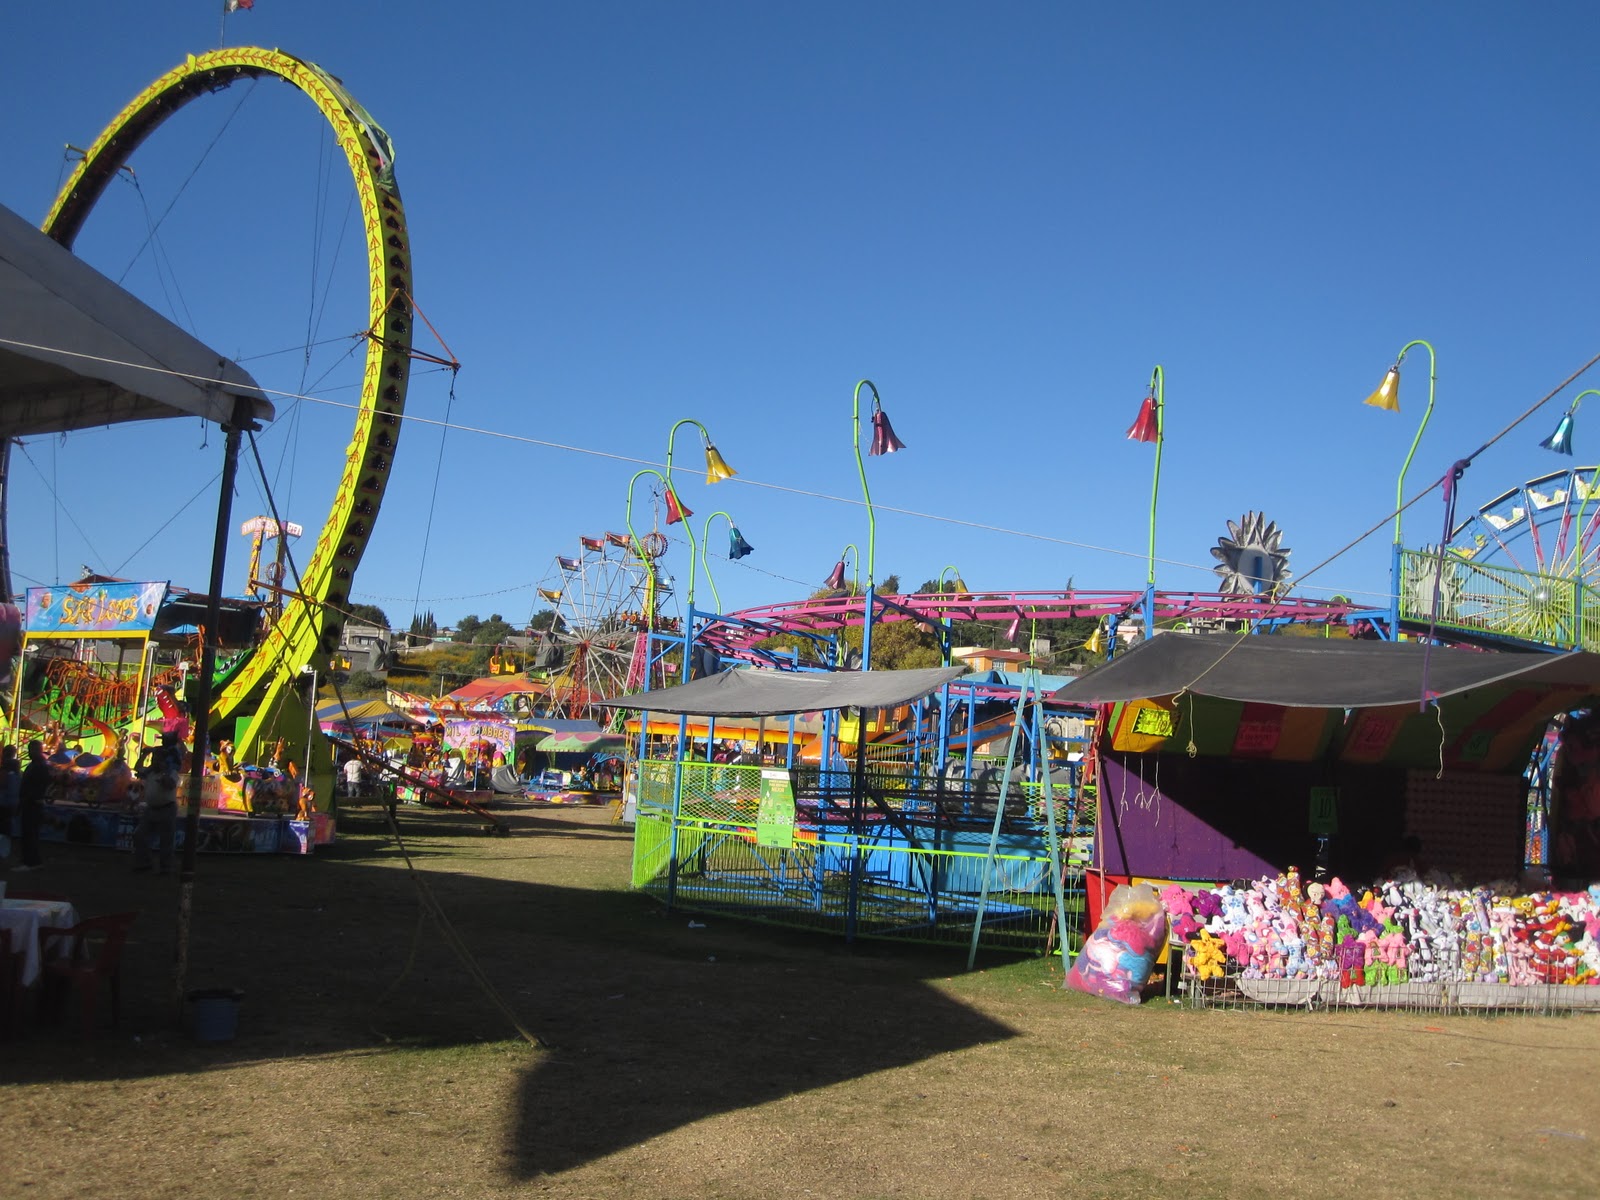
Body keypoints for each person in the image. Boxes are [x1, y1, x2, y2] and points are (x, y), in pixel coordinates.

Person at [131, 743, 180, 875]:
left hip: (167, 808)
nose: (154, 761)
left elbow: (170, 785)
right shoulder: (150, 772)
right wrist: (144, 755)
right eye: (154, 759)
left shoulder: (171, 772)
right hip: (151, 808)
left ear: (164, 761)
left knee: (166, 840)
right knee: (140, 835)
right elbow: (138, 768)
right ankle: (144, 863)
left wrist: (164, 774)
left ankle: (166, 867)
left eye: (157, 759)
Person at [15, 739, 51, 871]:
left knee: (30, 833)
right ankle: (30, 860)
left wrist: (34, 797)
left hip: (32, 803)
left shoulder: (39, 766)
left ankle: (30, 861)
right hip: (30, 802)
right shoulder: (37, 764)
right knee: (29, 833)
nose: (29, 752)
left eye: (31, 749)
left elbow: (39, 784)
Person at [0, 745, 19, 863]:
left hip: (4, 802)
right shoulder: (16, 770)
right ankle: (5, 850)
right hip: (11, 802)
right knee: (6, 827)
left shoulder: (5, 769)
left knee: (3, 827)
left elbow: (2, 784)